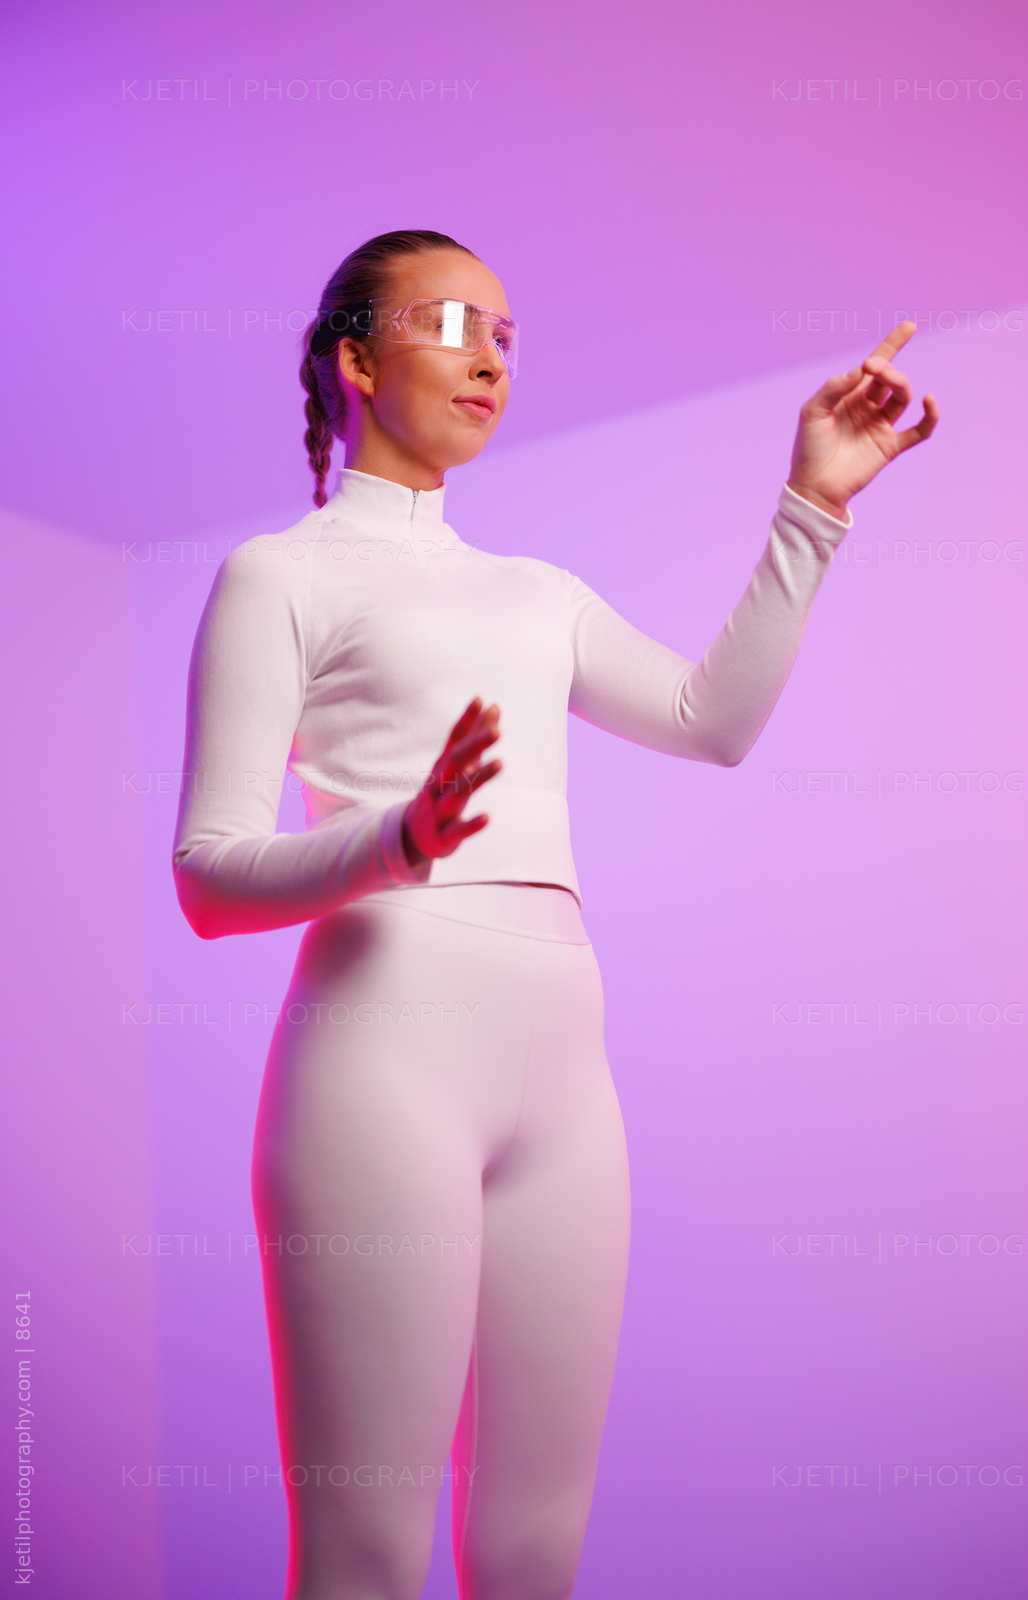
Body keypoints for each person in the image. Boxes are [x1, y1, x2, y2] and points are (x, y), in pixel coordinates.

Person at [172, 229, 938, 1600]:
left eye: (506, 335)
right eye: (448, 322)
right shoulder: (279, 574)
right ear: (357, 360)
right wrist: (396, 839)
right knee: (365, 1555)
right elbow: (208, 876)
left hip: (567, 1082)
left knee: (536, 1552)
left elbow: (711, 722)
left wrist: (813, 505)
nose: (487, 357)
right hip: (382, 1059)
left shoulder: (540, 593)